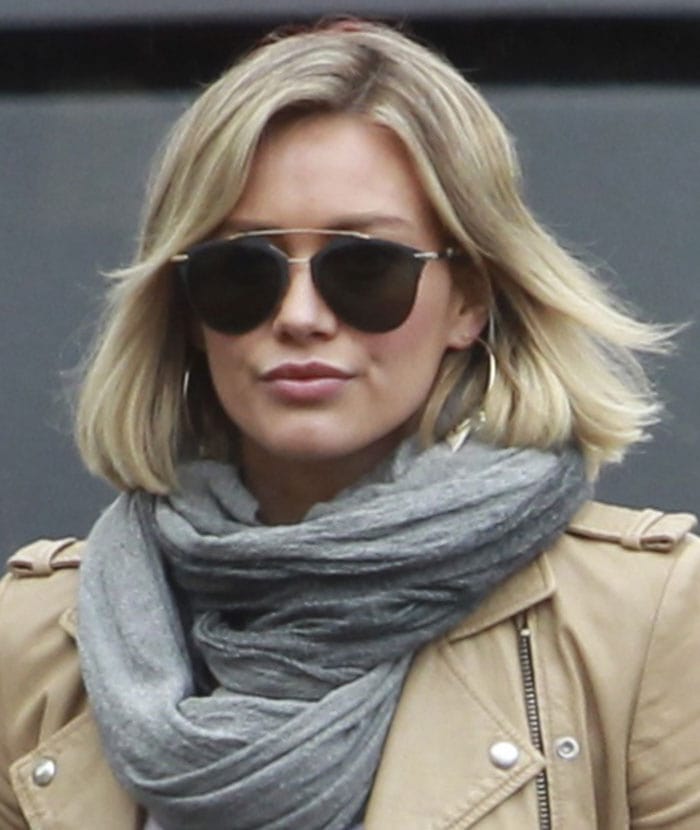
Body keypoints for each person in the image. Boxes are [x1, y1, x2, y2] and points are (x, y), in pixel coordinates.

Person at [1, 18, 698, 830]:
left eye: (365, 267)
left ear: (468, 300)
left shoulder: (645, 620)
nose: (299, 316)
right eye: (242, 269)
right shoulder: (35, 641)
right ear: (186, 309)